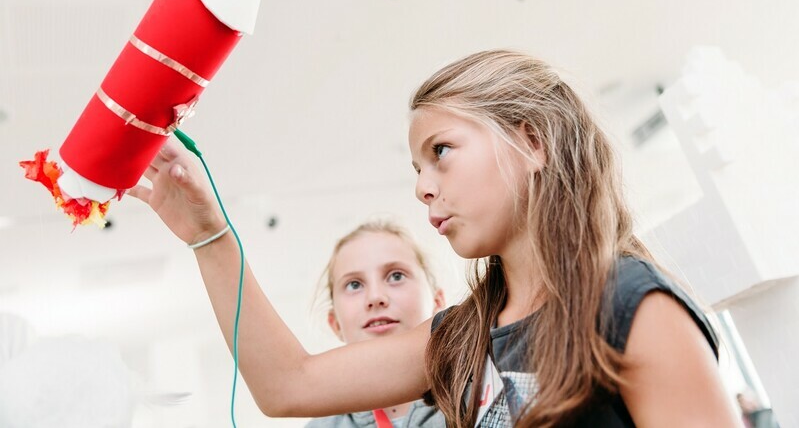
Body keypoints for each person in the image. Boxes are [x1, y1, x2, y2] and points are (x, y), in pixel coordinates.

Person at [131, 49, 742, 427]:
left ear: (533, 143)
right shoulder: (464, 336)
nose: (423, 187)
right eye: (416, 170)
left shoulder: (630, 305)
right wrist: (210, 237)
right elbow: (288, 387)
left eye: (440, 152)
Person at [307, 220, 446, 427]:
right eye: (354, 284)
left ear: (437, 304)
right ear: (335, 323)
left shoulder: (482, 398)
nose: (375, 297)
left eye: (396, 276)